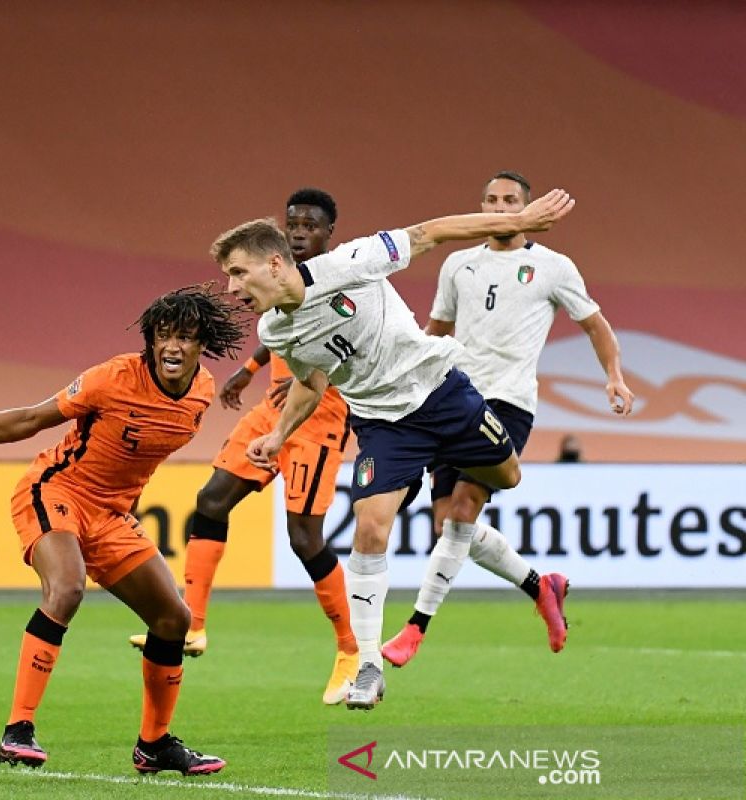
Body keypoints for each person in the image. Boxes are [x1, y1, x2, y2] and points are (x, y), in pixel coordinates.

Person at [210, 187, 575, 710]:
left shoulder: (349, 263)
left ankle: (540, 582)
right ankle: (367, 666)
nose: (232, 287)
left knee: (508, 478)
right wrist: (278, 434)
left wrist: (519, 220)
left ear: (274, 264)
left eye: (239, 273)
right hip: (384, 425)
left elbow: (429, 232)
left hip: (441, 392)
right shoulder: (276, 328)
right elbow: (312, 383)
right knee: (370, 526)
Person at [0, 285, 248, 775]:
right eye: (163, 335)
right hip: (55, 491)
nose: (172, 346)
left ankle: (155, 745)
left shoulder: (202, 392)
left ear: (200, 342)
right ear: (150, 340)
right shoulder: (113, 378)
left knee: (173, 620)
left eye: (184, 337)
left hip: (110, 515)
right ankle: (18, 731)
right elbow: (31, 420)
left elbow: (134, 456)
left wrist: (123, 511)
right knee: (67, 588)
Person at [382, 172, 633, 667]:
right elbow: (438, 328)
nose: (501, 208)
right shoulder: (459, 264)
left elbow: (595, 325)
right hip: (451, 397)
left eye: (511, 201)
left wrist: (615, 376)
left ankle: (415, 627)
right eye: (493, 201)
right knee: (447, 528)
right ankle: (543, 587)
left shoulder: (553, 268)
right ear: (481, 206)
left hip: (508, 402)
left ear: (528, 207)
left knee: (464, 509)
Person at [129, 189, 359, 705]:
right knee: (210, 501)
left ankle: (351, 649)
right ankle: (193, 624)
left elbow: (340, 346)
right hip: (273, 408)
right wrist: (249, 371)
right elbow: (277, 330)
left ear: (329, 234)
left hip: (319, 417)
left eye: (311, 225)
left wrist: (313, 380)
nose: (300, 231)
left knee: (304, 537)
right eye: (293, 222)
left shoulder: (341, 281)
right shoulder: (278, 279)